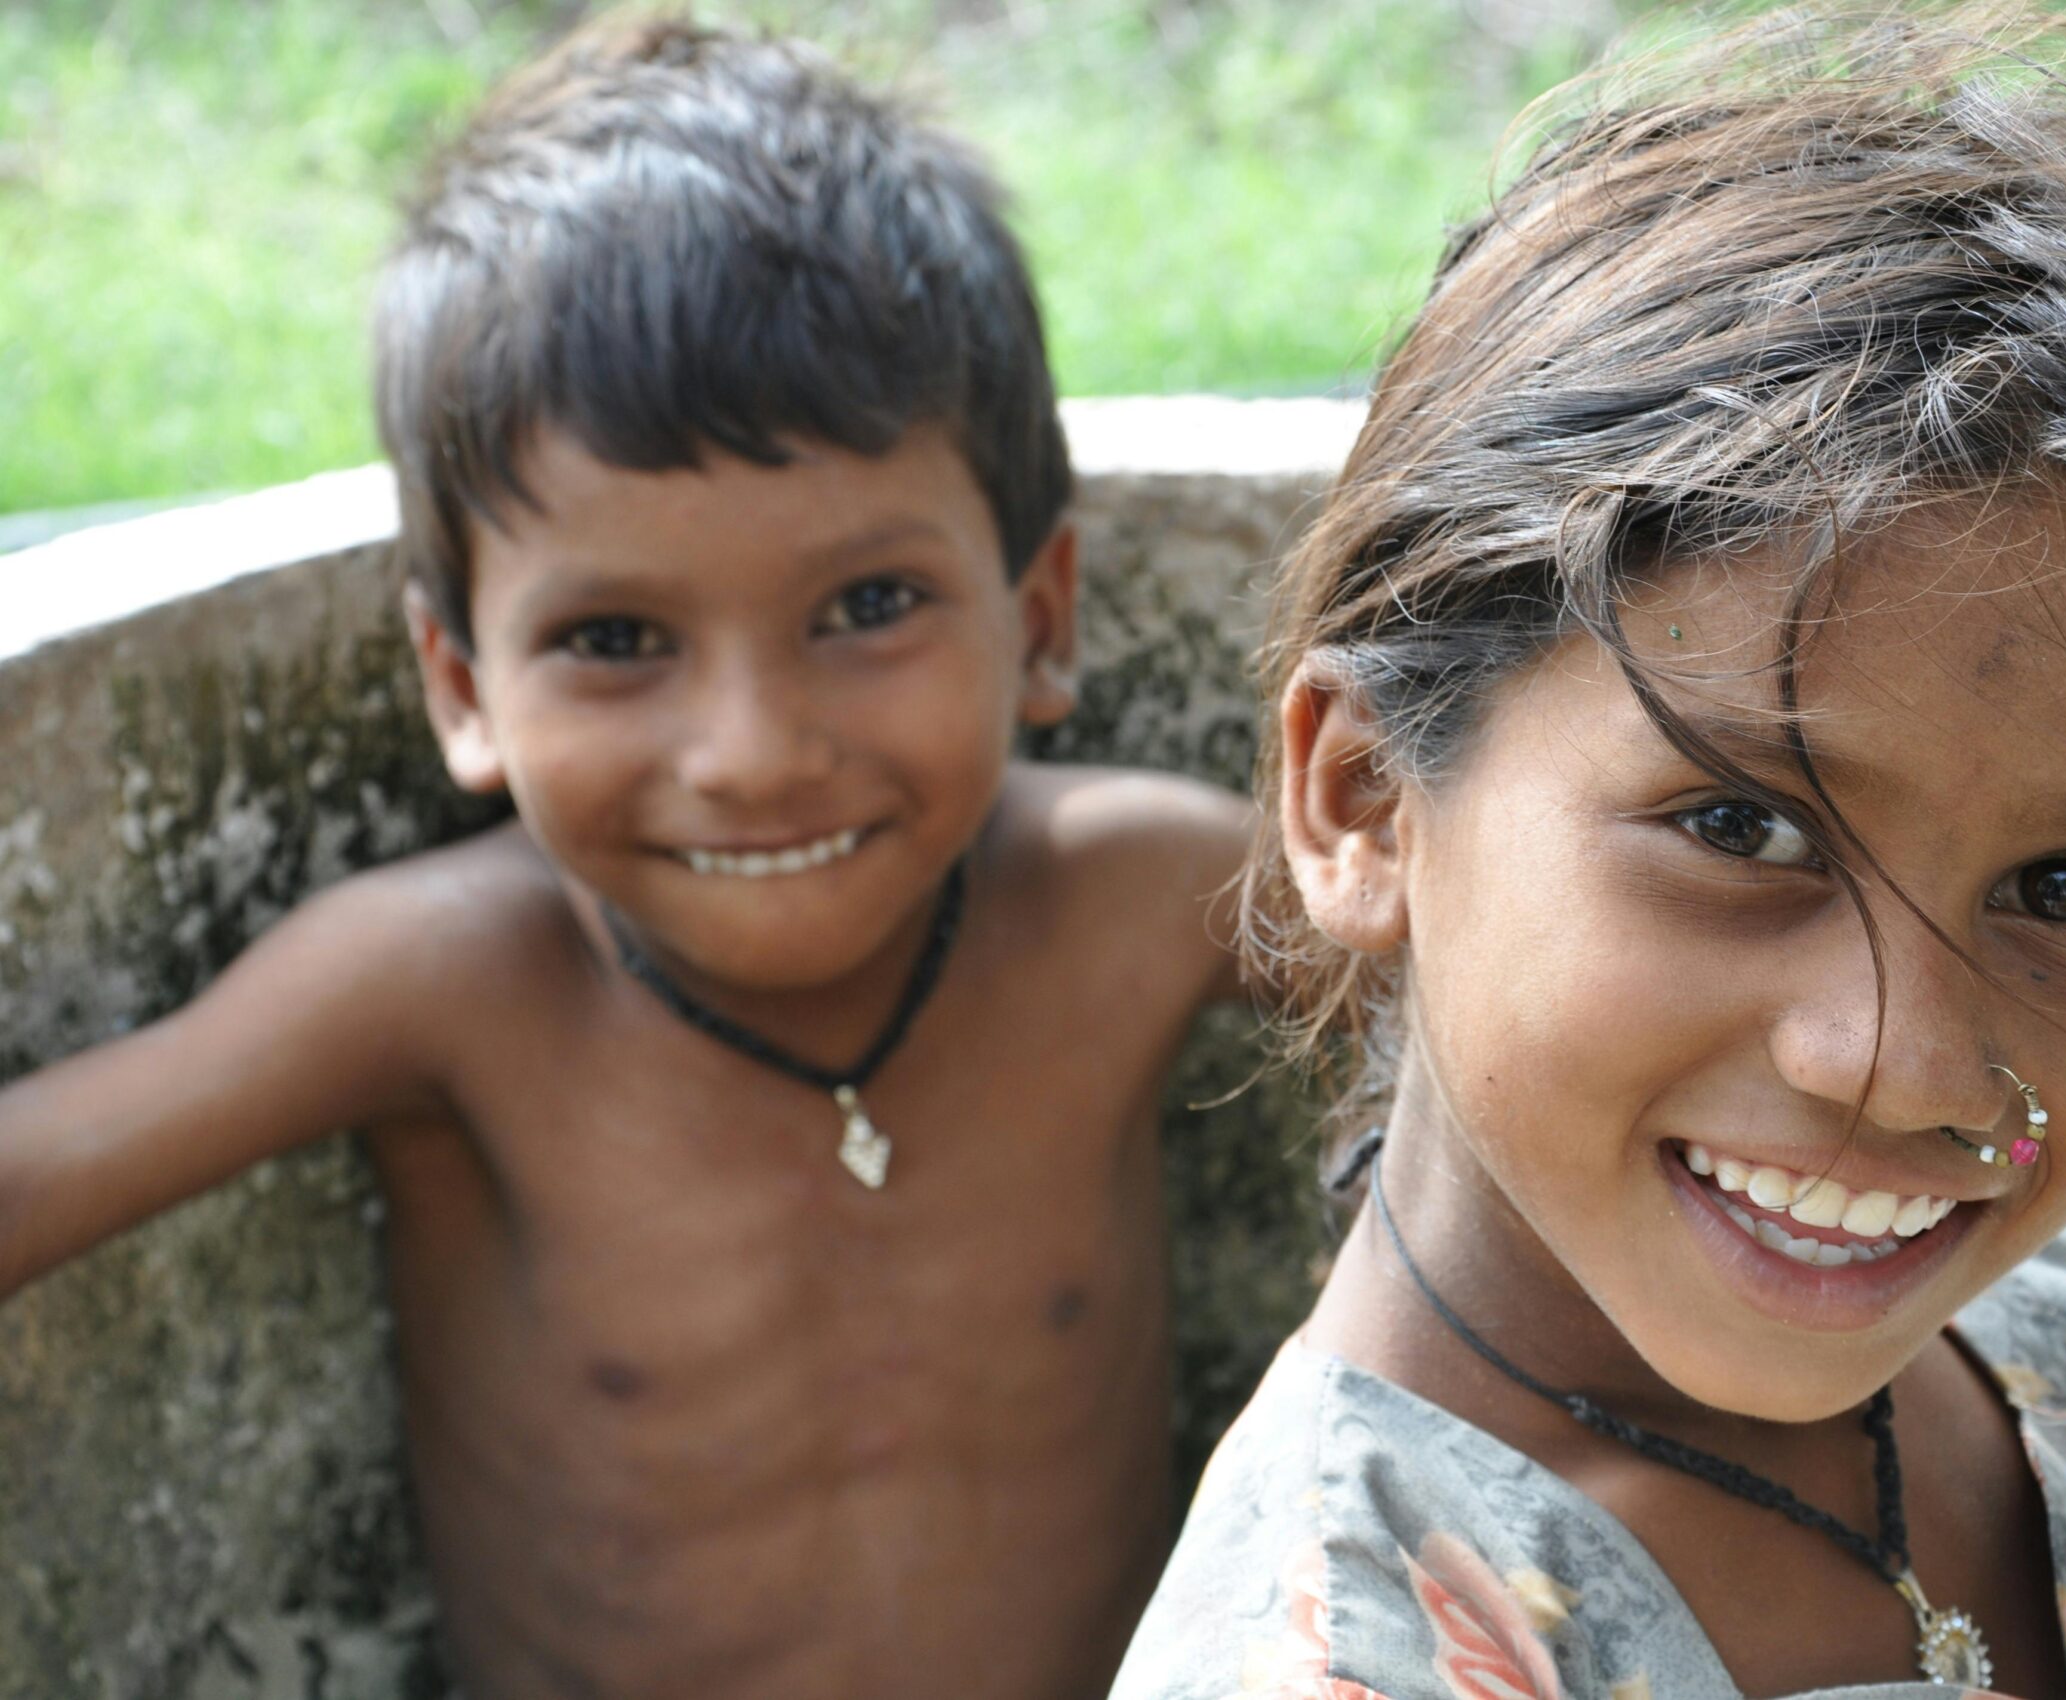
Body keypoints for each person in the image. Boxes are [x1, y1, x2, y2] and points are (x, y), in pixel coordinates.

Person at [1108, 7, 2066, 1698]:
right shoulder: (1346, 1658)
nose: (1909, 1069)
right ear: (1363, 801)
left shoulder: (2039, 1340)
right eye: (1743, 830)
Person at [0, 16, 1246, 1700]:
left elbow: (1498, 970)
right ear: (464, 688)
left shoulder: (1139, 900)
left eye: (868, 607)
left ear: (1039, 621)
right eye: (612, 639)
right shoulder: (446, 988)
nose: (750, 751)